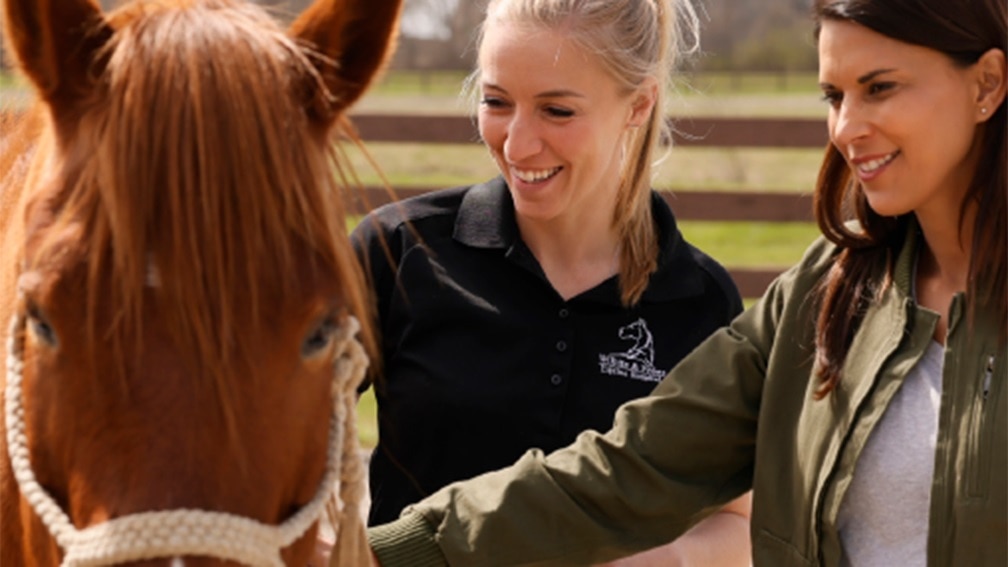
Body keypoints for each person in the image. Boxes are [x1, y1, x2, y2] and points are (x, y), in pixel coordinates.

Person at [365, 0, 1008, 564]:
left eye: (881, 88)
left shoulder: (703, 293)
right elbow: (631, 466)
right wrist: (384, 556)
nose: (845, 129)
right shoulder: (826, 295)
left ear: (987, 83)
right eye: (834, 97)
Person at [350, 0, 754, 564]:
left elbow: (738, 524)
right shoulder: (398, 252)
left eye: (556, 111)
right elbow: (271, 434)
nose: (516, 145)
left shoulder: (702, 302)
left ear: (639, 104)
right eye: (496, 102)